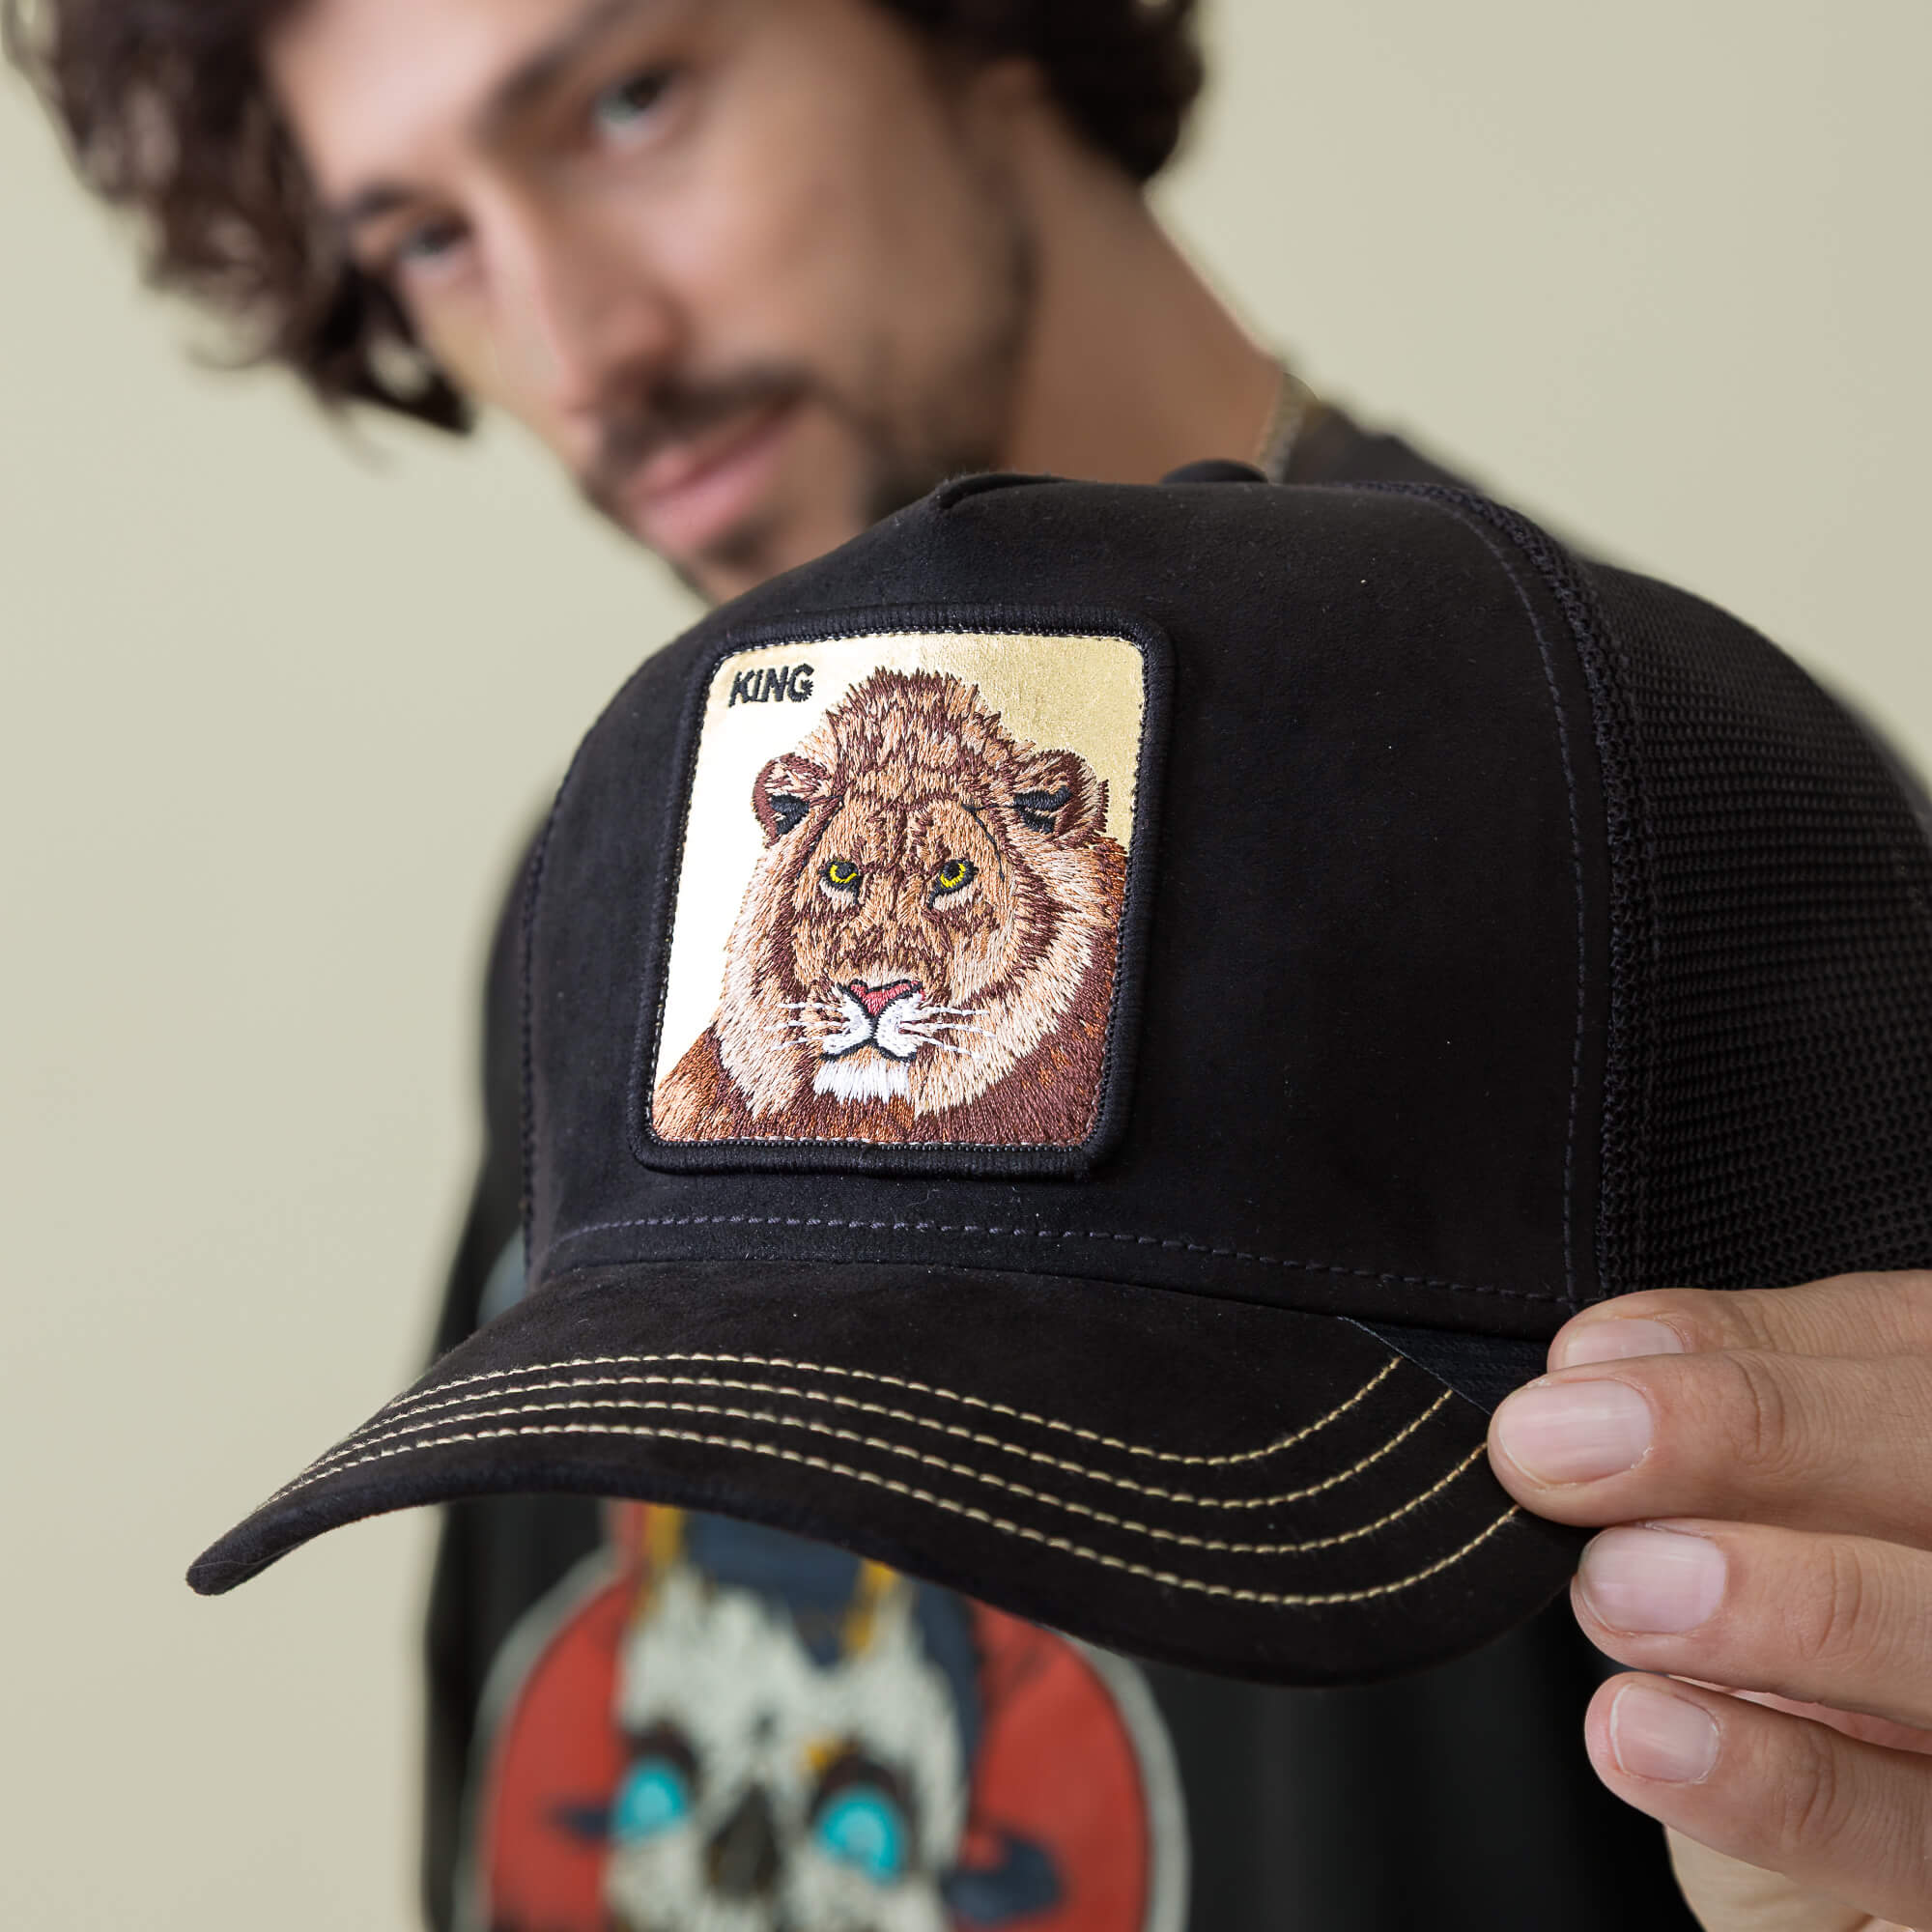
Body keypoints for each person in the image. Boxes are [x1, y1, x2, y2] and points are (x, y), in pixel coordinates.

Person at [11, 1, 1930, 1927]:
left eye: (626, 99)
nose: (582, 350)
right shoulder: (620, 867)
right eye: (424, 237)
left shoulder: (1662, 824)